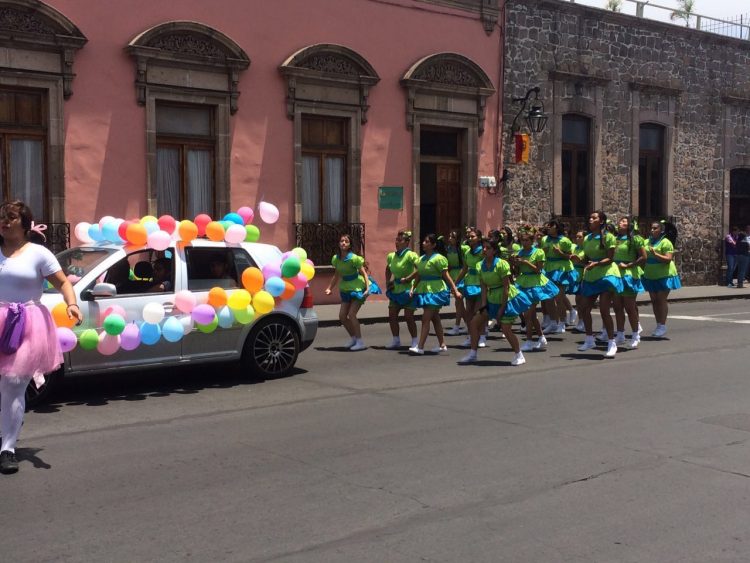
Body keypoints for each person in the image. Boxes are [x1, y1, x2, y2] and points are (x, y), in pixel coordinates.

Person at [0, 200, 83, 474]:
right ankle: (8, 424)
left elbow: (61, 282)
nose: (4, 221)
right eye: (2, 217)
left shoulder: (38, 253)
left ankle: (8, 447)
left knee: (13, 384)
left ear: (24, 224)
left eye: (10, 217)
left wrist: (72, 303)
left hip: (26, 322)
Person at [458, 237, 532, 366]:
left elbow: (506, 287)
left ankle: (519, 354)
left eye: (488, 248)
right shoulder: (480, 265)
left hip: (507, 299)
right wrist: (484, 305)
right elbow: (483, 287)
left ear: (494, 251)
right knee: (474, 323)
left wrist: (502, 309)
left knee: (505, 328)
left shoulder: (501, 264)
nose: (485, 250)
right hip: (491, 298)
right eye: (484, 247)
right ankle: (473, 354)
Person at [402, 234, 462, 355]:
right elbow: (419, 275)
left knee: (426, 318)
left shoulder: (438, 258)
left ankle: (420, 346)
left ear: (433, 245)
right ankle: (442, 344)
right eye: (424, 241)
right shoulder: (422, 259)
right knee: (435, 318)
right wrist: (413, 287)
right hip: (424, 290)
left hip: (435, 290)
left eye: (427, 241)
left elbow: (446, 276)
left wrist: (455, 290)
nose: (424, 243)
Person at [576, 211, 623, 358]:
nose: (590, 220)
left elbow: (610, 258)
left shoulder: (609, 237)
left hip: (606, 274)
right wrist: (576, 258)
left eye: (594, 218)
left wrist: (595, 263)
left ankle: (611, 342)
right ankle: (589, 339)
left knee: (604, 309)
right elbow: (586, 256)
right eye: (590, 217)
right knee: (583, 309)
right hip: (592, 274)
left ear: (601, 221)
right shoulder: (588, 238)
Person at [513, 226, 559, 352]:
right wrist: (515, 264)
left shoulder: (538, 252)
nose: (524, 242)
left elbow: (538, 269)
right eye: (522, 240)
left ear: (532, 241)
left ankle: (528, 341)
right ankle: (541, 337)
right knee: (531, 315)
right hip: (523, 282)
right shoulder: (520, 253)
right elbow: (517, 272)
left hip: (536, 282)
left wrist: (525, 263)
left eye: (527, 240)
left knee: (528, 314)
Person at [325, 234, 369, 351]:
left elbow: (364, 274)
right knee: (342, 316)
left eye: (346, 241)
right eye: (341, 241)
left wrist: (368, 288)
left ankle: (360, 342)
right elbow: (337, 275)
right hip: (345, 287)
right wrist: (330, 288)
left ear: (349, 245)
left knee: (352, 314)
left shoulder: (354, 258)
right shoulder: (336, 259)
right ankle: (354, 338)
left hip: (357, 287)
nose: (343, 243)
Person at [642, 220, 681, 337]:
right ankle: (658, 324)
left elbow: (668, 259)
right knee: (654, 300)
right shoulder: (646, 242)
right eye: (651, 228)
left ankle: (662, 325)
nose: (652, 230)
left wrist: (655, 254)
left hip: (665, 274)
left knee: (660, 299)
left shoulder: (666, 242)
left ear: (661, 230)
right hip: (650, 274)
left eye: (655, 228)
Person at [612, 217, 646, 348]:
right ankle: (620, 334)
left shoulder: (635, 239)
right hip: (616, 274)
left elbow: (643, 257)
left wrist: (629, 265)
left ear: (629, 226)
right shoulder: (615, 239)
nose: (620, 223)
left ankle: (635, 334)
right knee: (617, 306)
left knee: (629, 307)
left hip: (629, 274)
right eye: (620, 221)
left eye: (624, 222)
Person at [540, 219, 578, 335]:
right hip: (548, 268)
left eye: (550, 226)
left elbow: (570, 256)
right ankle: (553, 322)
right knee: (548, 298)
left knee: (559, 297)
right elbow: (541, 254)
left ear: (556, 227)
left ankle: (562, 322)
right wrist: (543, 251)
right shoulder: (544, 239)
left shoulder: (565, 241)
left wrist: (560, 253)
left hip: (561, 269)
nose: (548, 228)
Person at [384, 230, 419, 350]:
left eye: (400, 240)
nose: (397, 242)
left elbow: (419, 269)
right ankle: (396, 340)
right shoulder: (391, 256)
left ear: (407, 242)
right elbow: (388, 269)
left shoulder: (411, 255)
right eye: (396, 240)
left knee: (408, 316)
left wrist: (409, 278)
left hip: (408, 289)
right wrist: (388, 281)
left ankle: (415, 341)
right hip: (395, 288)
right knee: (392, 315)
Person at [455, 228, 485, 348]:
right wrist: (455, 282)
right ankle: (471, 335)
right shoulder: (467, 253)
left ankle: (482, 336)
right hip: (469, 283)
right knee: (469, 312)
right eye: (469, 237)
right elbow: (465, 269)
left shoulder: (482, 252)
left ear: (479, 238)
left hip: (480, 283)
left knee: (479, 312)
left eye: (473, 237)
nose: (470, 239)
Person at [445, 229, 468, 335]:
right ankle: (469, 324)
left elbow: (465, 265)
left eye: (453, 237)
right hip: (452, 275)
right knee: (459, 304)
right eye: (449, 236)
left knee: (458, 303)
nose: (450, 238)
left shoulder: (463, 249)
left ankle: (457, 326)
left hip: (461, 275)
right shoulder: (448, 249)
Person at [736, 225, 750, 289]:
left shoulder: (739, 240)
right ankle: (740, 284)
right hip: (745, 255)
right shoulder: (745, 239)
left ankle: (739, 283)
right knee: (743, 270)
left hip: (739, 255)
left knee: (740, 269)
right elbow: (748, 246)